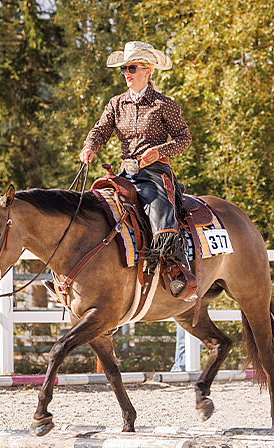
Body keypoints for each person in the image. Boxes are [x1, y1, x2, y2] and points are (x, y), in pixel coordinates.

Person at [80, 41, 195, 299]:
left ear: (148, 71)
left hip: (154, 173)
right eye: (123, 69)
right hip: (125, 173)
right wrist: (90, 146)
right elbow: (100, 129)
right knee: (96, 207)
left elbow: (184, 139)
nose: (126, 73)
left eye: (131, 67)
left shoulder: (164, 105)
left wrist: (159, 151)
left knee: (160, 213)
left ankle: (179, 273)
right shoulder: (116, 104)